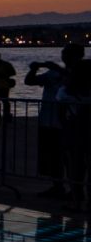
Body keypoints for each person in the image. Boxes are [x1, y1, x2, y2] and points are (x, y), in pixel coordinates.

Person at [28, 44, 82, 198]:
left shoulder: (79, 73)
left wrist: (59, 69)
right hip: (48, 120)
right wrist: (34, 69)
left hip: (68, 122)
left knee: (70, 158)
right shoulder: (52, 73)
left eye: (68, 54)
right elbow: (30, 81)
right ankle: (57, 186)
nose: (64, 56)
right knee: (52, 156)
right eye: (63, 53)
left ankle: (75, 190)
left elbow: (76, 84)